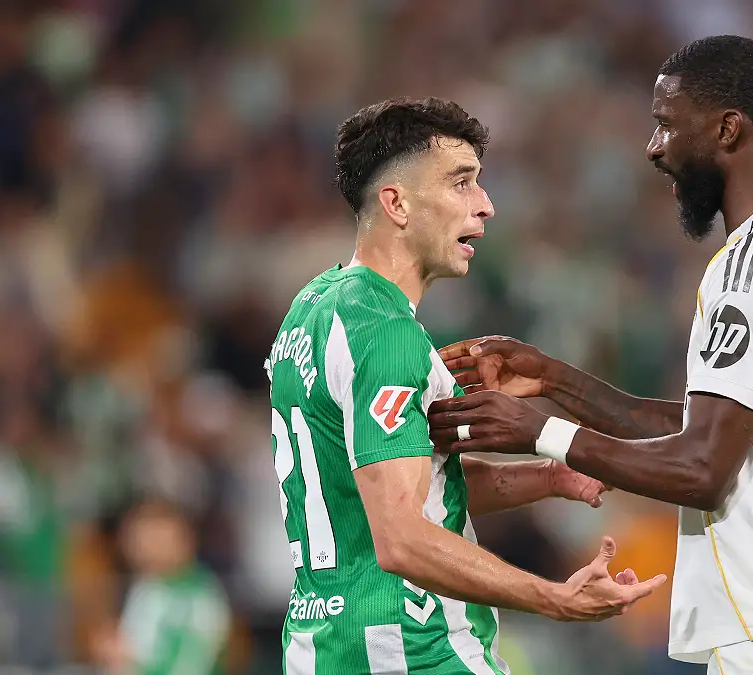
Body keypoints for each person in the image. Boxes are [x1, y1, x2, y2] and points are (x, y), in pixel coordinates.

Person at [427, 37, 753, 675]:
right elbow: (717, 426)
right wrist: (555, 381)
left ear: (727, 129)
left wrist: (542, 433)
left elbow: (702, 469)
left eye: (665, 125)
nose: (655, 149)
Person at [264, 98, 665, 675]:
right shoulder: (384, 334)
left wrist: (546, 477)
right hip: (408, 648)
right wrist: (554, 598)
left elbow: (389, 489)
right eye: (462, 183)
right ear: (396, 203)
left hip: (323, 644)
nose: (486, 204)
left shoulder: (317, 304)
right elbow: (400, 537)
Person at [93, 500, 231, 675]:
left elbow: (188, 666)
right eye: (137, 540)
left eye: (154, 539)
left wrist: (128, 662)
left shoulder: (200, 599)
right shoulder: (146, 587)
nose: (144, 550)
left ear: (183, 540)